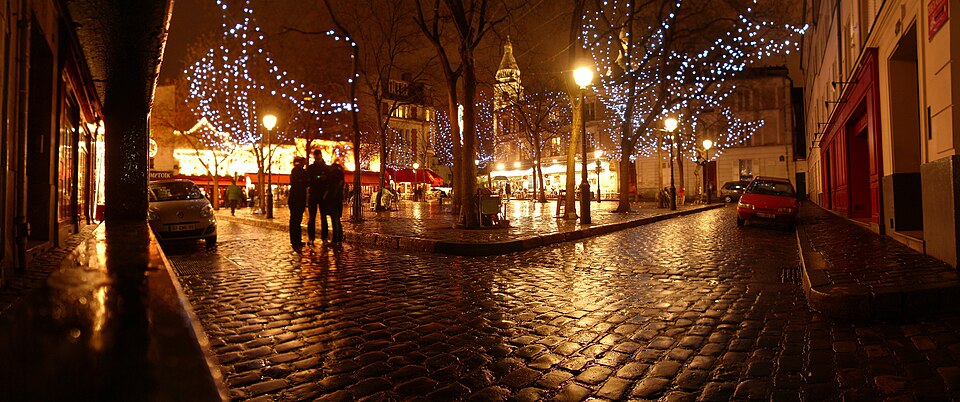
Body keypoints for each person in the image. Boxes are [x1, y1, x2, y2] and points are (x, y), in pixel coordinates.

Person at [306, 149, 329, 244]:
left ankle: (324, 237)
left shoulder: (326, 168)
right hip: (314, 194)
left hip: (322, 195)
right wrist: (319, 177)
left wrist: (316, 177)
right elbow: (308, 180)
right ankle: (311, 237)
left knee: (323, 217)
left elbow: (328, 180)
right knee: (312, 218)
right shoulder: (311, 168)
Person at [288, 157, 309, 252]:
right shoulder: (299, 171)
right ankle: (296, 241)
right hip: (297, 199)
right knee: (295, 221)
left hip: (296, 199)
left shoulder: (296, 171)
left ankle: (296, 240)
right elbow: (305, 182)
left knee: (296, 220)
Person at [323, 158, 346, 244]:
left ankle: (336, 239)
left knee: (335, 220)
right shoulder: (340, 176)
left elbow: (331, 189)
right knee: (337, 220)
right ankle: (339, 238)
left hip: (333, 201)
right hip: (337, 201)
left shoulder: (333, 178)